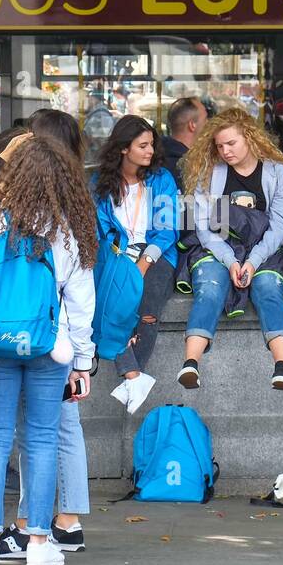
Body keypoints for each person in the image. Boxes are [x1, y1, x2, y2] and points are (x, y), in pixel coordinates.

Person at [0, 136, 98, 565]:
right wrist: (83, 362)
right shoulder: (66, 231)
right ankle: (38, 543)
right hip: (50, 348)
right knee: (41, 439)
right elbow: (81, 302)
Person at [179, 108, 283, 390]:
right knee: (210, 286)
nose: (225, 151)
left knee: (268, 286)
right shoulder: (209, 173)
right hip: (219, 244)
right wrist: (231, 261)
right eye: (220, 146)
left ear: (250, 137)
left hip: (266, 246)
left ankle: (282, 365)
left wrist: (254, 261)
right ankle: (190, 363)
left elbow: (280, 225)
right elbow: (203, 228)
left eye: (231, 143)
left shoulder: (276, 171)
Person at [92, 116, 179, 414]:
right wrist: (122, 258)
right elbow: (100, 230)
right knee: (113, 302)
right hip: (116, 253)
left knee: (149, 306)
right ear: (123, 149)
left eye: (152, 144)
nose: (150, 151)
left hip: (158, 252)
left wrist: (144, 261)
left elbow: (167, 228)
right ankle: (134, 377)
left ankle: (132, 371)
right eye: (142, 145)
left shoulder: (162, 179)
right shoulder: (100, 184)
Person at [161, 96, 208, 188]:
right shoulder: (186, 169)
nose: (208, 123)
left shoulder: (157, 156)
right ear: (192, 125)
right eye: (205, 119)